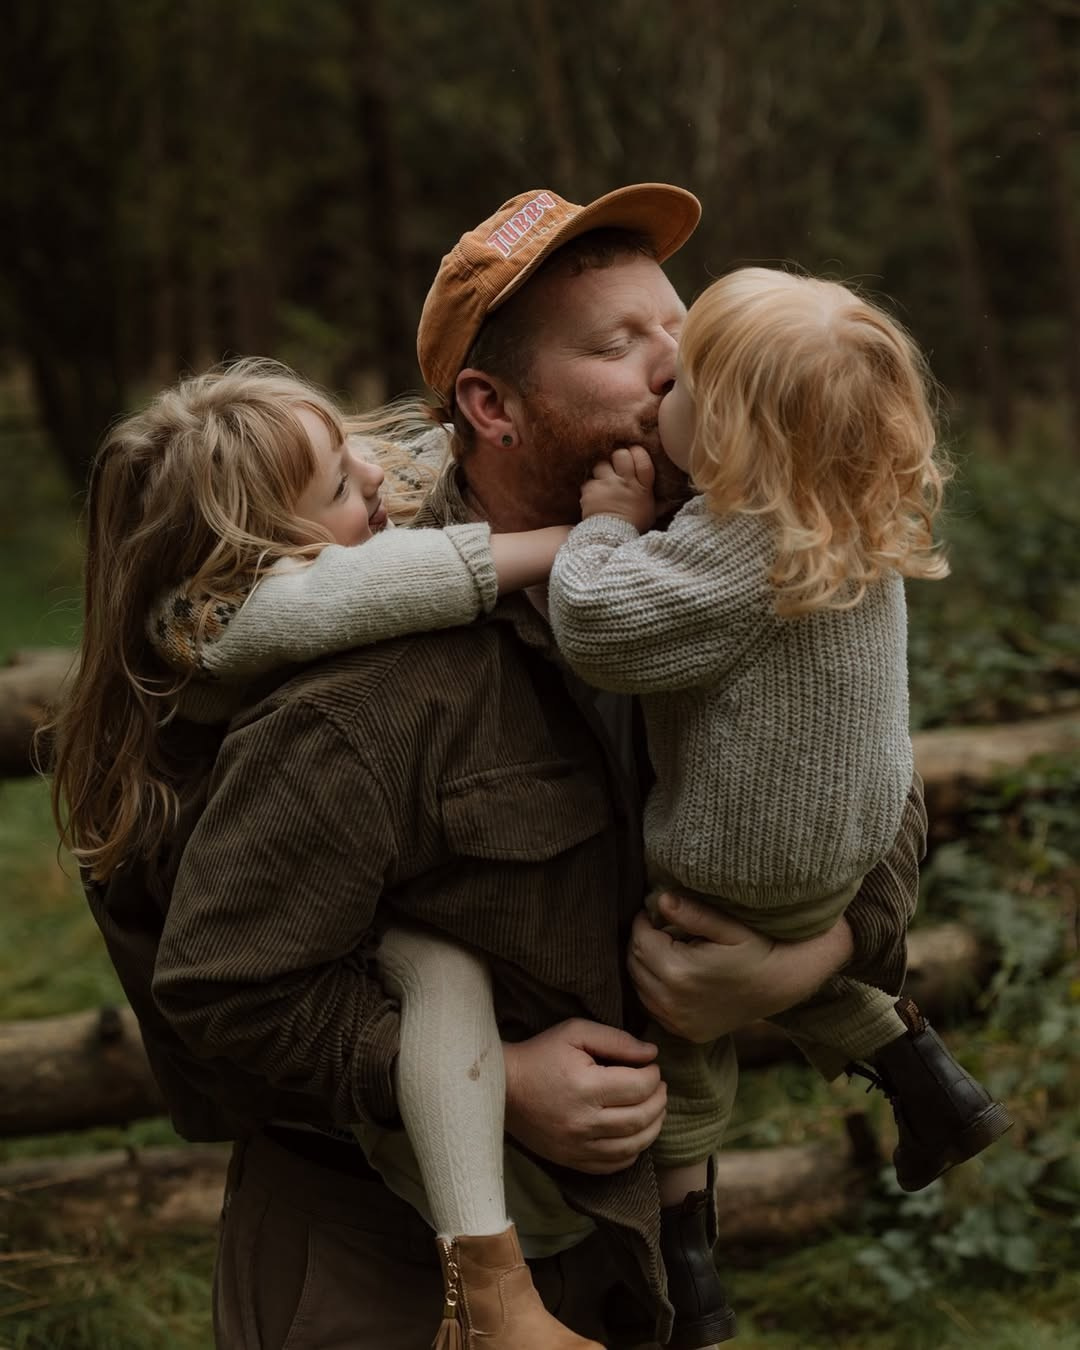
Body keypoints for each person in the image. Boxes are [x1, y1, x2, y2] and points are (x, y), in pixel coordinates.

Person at [50, 184, 920, 1350]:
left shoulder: (747, 553)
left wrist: (808, 955)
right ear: (492, 405)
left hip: (619, 1247)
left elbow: (872, 786)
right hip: (382, 1265)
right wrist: (496, 1081)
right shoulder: (374, 684)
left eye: (682, 328)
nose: (675, 365)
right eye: (619, 346)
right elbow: (223, 986)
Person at [548, 266, 1013, 1346]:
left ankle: (689, 1274)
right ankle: (931, 1083)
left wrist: (610, 524)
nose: (661, 384)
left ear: (731, 441)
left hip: (733, 862)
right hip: (847, 852)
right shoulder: (851, 509)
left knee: (680, 1033)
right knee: (796, 973)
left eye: (684, 386)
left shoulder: (735, 540)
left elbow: (605, 627)